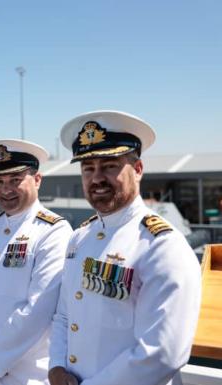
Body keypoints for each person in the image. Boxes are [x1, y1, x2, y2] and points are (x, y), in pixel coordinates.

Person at [49, 111, 202, 385]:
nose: (96, 178)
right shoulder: (79, 239)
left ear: (138, 169)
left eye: (109, 166)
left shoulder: (162, 246)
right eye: (88, 168)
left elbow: (163, 353)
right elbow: (64, 315)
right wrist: (57, 367)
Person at [0, 139, 72, 385]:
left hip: (26, 376)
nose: (5, 189)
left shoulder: (54, 231)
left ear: (37, 179)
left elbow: (39, 308)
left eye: (15, 180)